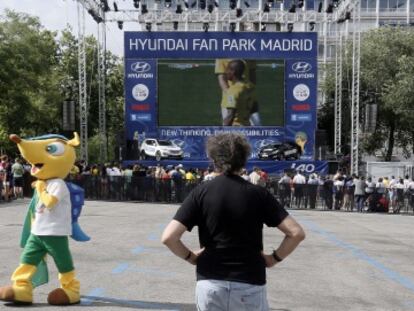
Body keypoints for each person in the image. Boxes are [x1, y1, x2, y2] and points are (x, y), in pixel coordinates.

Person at [161, 133, 305, 311]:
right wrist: (273, 259)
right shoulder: (258, 194)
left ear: (213, 158)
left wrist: (191, 257)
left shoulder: (201, 192)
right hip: (249, 282)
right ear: (244, 159)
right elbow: (296, 233)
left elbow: (169, 237)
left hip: (210, 282)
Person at [215, 59, 261, 126]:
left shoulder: (233, 91)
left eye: (227, 70)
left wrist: (223, 132)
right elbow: (254, 108)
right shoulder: (250, 87)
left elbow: (230, 116)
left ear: (232, 72)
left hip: (236, 128)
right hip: (246, 124)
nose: (226, 72)